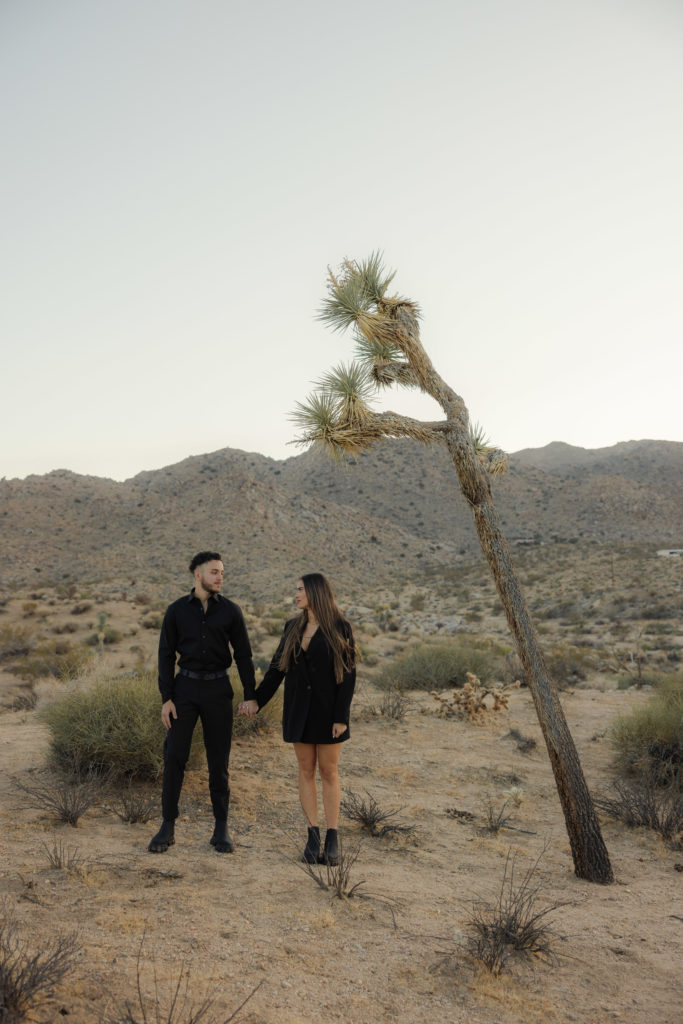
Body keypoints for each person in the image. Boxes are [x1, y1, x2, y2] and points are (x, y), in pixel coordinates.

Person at [238, 573, 356, 866]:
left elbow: (348, 674)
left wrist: (341, 716)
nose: (296, 594)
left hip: (329, 713)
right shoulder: (292, 626)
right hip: (298, 711)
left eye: (300, 589)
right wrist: (255, 700)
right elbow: (277, 669)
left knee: (328, 772)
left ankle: (332, 837)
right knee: (305, 770)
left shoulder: (340, 626)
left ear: (315, 592)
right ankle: (312, 835)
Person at [148, 551, 257, 854]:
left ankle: (221, 828)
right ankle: (167, 826)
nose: (220, 577)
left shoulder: (232, 612)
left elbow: (244, 656)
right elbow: (165, 656)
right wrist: (166, 698)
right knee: (174, 756)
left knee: (218, 761)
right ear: (198, 575)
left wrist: (251, 695)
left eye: (222, 572)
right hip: (184, 690)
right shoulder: (176, 612)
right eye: (214, 572)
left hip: (219, 689)